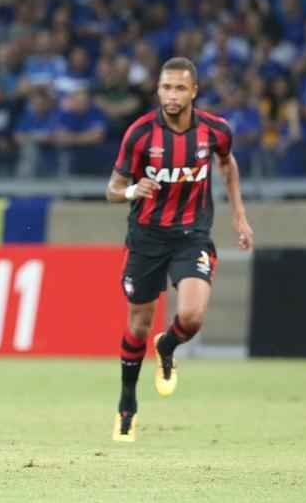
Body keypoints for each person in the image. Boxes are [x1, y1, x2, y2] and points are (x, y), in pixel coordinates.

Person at [105, 57, 254, 442]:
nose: (171, 95)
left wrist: (239, 216)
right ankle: (127, 402)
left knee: (191, 316)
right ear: (158, 90)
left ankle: (167, 345)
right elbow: (112, 189)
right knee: (138, 324)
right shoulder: (139, 135)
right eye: (165, 88)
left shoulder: (215, 131)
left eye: (179, 88)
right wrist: (132, 191)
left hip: (192, 234)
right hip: (147, 237)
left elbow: (228, 164)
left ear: (194, 91)